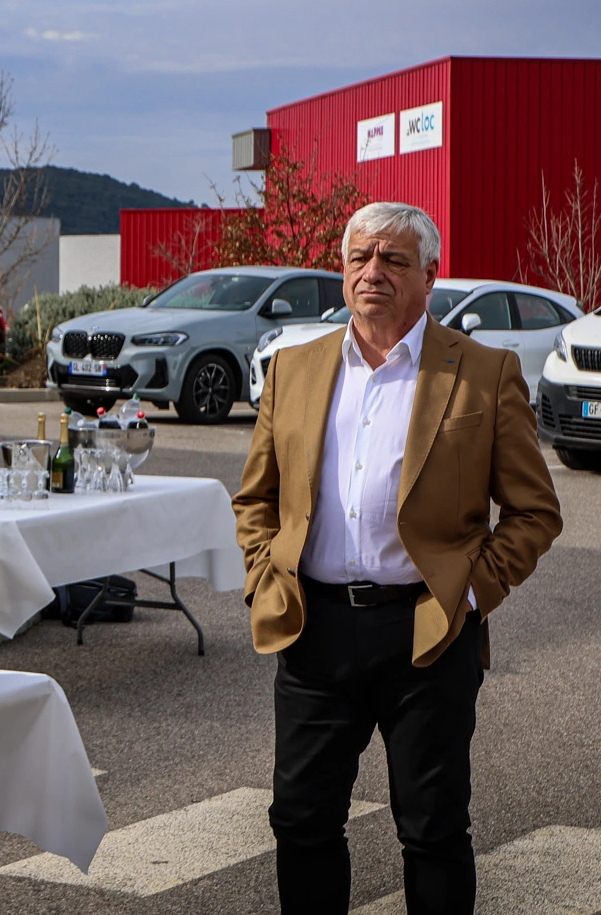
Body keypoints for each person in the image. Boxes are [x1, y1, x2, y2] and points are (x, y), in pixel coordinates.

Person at [234, 201, 563, 914]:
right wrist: (266, 576)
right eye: (360, 258)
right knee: (300, 819)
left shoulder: (483, 372)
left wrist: (470, 594)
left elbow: (535, 511)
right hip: (314, 627)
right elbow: (256, 497)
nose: (373, 272)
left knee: (434, 828)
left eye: (393, 259)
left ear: (429, 277)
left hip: (427, 629)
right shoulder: (294, 369)